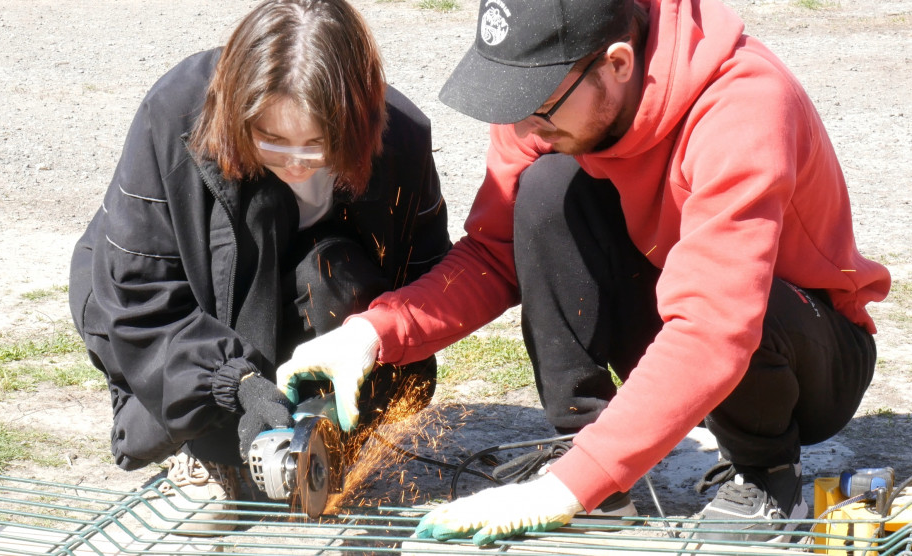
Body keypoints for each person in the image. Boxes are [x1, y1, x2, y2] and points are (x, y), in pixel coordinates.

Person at [276, 0, 891, 546]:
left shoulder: (744, 104)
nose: (522, 128)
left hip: (806, 354)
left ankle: (764, 470)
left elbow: (715, 325)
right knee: (545, 190)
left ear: (618, 64)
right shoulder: (545, 97)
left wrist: (563, 490)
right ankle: (596, 458)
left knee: (739, 306)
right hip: (684, 328)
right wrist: (372, 333)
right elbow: (495, 254)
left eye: (538, 106)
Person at [68, 0, 450, 534]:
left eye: (317, 145)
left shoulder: (400, 133)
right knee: (263, 215)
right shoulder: (175, 113)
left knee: (329, 267)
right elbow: (138, 292)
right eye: (270, 140)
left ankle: (321, 442)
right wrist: (236, 384)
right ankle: (206, 455)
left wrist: (371, 345)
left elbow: (428, 280)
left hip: (318, 292)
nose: (295, 164)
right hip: (199, 303)